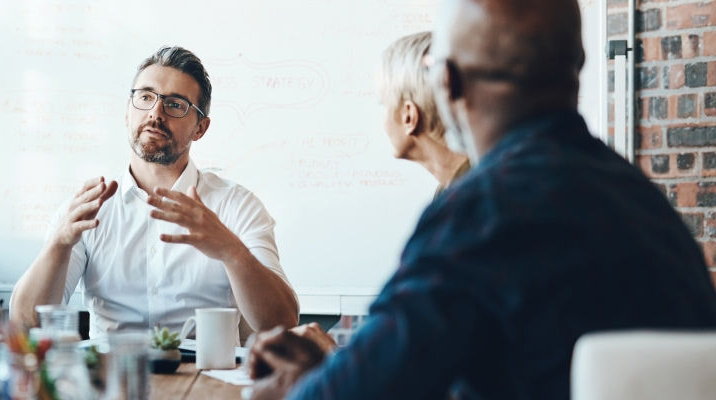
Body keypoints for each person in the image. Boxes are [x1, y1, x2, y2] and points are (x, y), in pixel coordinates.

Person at [248, 1, 716, 399]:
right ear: (576, 67)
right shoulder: (641, 202)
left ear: (447, 82)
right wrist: (336, 371)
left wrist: (307, 385)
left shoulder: (484, 213)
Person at [10, 46, 299, 339]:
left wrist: (231, 251)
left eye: (175, 104)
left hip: (206, 368)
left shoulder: (237, 206)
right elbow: (25, 324)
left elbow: (282, 321)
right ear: (127, 112)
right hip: (111, 366)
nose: (155, 112)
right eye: (146, 97)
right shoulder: (88, 208)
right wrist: (59, 244)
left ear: (200, 128)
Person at [379, 31, 470, 196]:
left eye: (384, 104)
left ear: (409, 117)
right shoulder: (454, 189)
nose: (383, 122)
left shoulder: (466, 197)